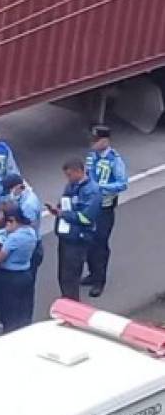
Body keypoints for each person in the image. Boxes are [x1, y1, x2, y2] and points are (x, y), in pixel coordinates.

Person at [47, 158, 102, 301]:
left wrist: (64, 214)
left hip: (79, 239)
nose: (68, 178)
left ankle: (72, 306)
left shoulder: (92, 191)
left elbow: (86, 218)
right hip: (66, 236)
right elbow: (65, 204)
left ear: (79, 172)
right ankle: (67, 301)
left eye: (70, 175)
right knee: (63, 276)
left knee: (71, 276)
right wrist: (57, 210)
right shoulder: (71, 186)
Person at [83, 125, 127, 298]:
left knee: (100, 244)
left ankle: (99, 281)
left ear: (105, 141)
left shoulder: (114, 160)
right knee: (88, 242)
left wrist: (100, 188)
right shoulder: (91, 157)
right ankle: (92, 273)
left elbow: (122, 183)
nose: (92, 143)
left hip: (104, 207)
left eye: (96, 140)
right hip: (90, 206)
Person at [0, 208, 39, 333]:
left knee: (9, 312)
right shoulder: (31, 232)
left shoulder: (14, 238)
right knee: (24, 310)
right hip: (26, 273)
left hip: (10, 277)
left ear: (13, 221)